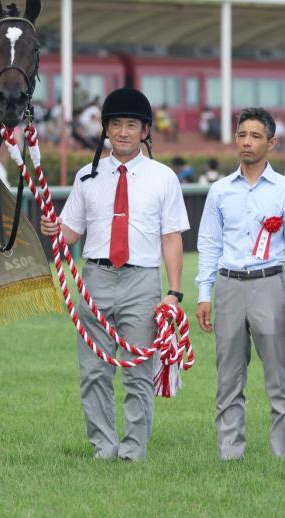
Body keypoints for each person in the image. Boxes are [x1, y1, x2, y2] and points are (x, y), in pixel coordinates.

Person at [40, 87, 189, 462]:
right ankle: (104, 446)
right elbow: (72, 232)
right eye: (116, 124)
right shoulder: (86, 177)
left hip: (142, 282)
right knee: (94, 372)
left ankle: (133, 449)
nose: (123, 131)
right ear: (105, 129)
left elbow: (170, 237)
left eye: (131, 125)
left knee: (139, 374)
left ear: (145, 130)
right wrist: (54, 228)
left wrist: (174, 292)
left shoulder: (163, 177)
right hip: (96, 279)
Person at [195, 106, 285, 461]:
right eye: (242, 135)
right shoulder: (219, 191)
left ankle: (284, 456)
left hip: (270, 285)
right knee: (227, 379)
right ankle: (230, 455)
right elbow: (209, 245)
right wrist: (204, 293)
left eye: (256, 136)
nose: (247, 142)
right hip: (229, 286)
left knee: (279, 378)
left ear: (271, 142)